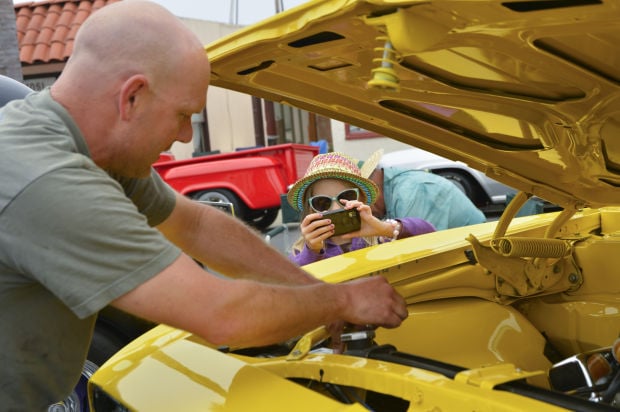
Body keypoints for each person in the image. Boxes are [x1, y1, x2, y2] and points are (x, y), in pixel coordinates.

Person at [0, 2, 408, 409]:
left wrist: (314, 292)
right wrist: (342, 300)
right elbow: (220, 314)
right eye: (182, 115)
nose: (182, 135)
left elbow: (194, 225)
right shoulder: (45, 176)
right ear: (133, 97)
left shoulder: (92, 150)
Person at [288, 152, 436, 265]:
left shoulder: (380, 238)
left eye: (346, 197)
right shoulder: (301, 251)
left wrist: (384, 228)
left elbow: (430, 234)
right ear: (311, 209)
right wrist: (312, 251)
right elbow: (293, 285)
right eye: (322, 203)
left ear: (361, 200)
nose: (335, 208)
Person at [362, 151, 487, 230]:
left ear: (369, 189)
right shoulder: (393, 190)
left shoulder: (411, 191)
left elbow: (417, 250)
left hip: (478, 255)